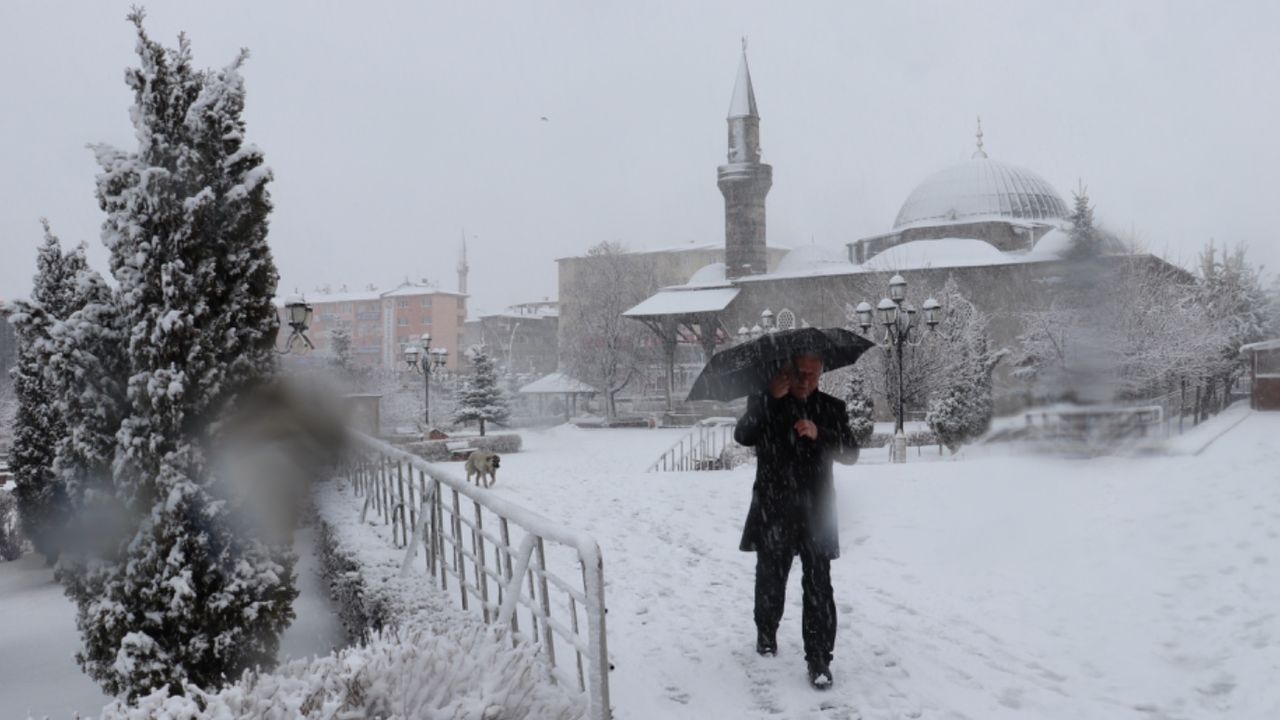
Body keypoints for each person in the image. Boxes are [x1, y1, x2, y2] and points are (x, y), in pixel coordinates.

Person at [734, 353, 860, 689]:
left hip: (817, 512)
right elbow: (743, 436)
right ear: (786, 373)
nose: (805, 381)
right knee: (771, 580)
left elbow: (851, 452)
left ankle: (819, 658)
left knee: (819, 585)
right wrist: (768, 401)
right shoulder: (765, 401)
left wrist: (820, 432)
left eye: (812, 374)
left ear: (821, 373)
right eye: (799, 373)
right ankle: (766, 631)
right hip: (773, 510)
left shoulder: (831, 408)